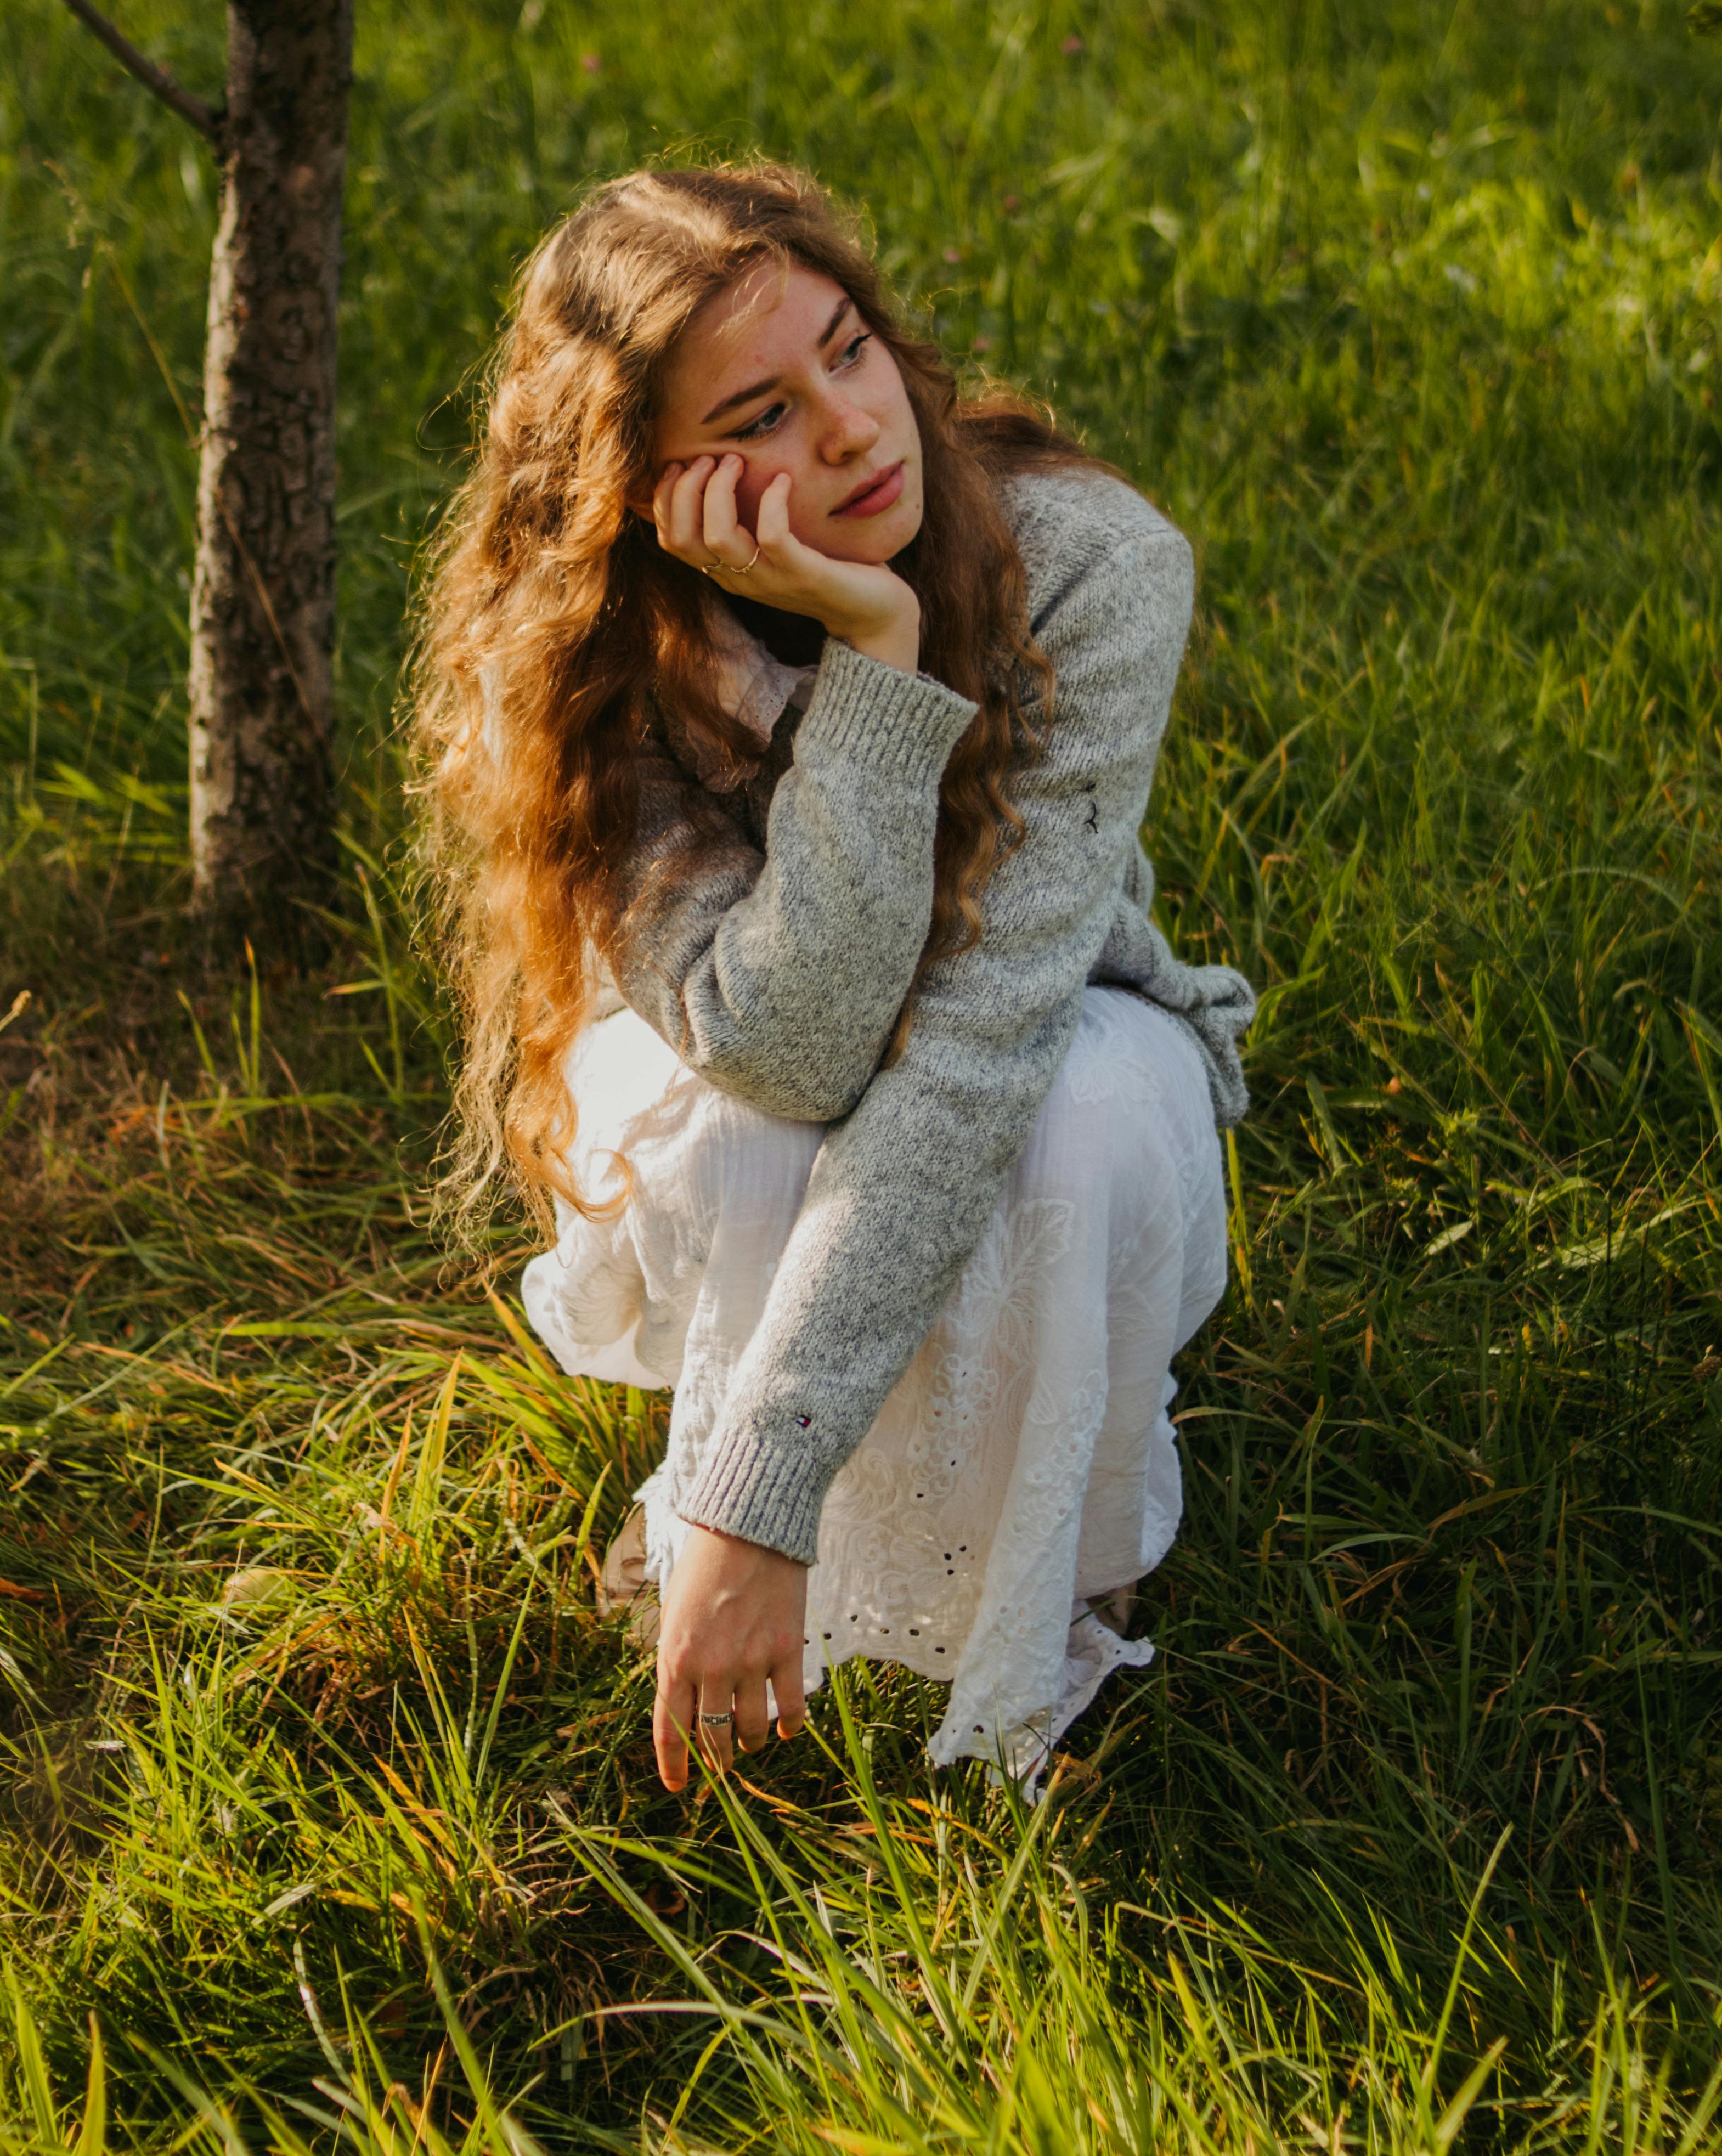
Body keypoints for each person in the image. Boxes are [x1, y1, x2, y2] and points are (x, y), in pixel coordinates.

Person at [414, 162, 1254, 1790]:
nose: (856, 432)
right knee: (750, 1132)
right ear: (648, 493)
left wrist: (762, 1483)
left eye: (851, 352)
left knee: (1056, 1136)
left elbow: (972, 1046)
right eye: (763, 415)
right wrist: (865, 668)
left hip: (1063, 1024)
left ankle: (1050, 1559)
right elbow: (793, 1046)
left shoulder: (1091, 565)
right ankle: (731, 1516)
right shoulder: (608, 660)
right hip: (764, 1033)